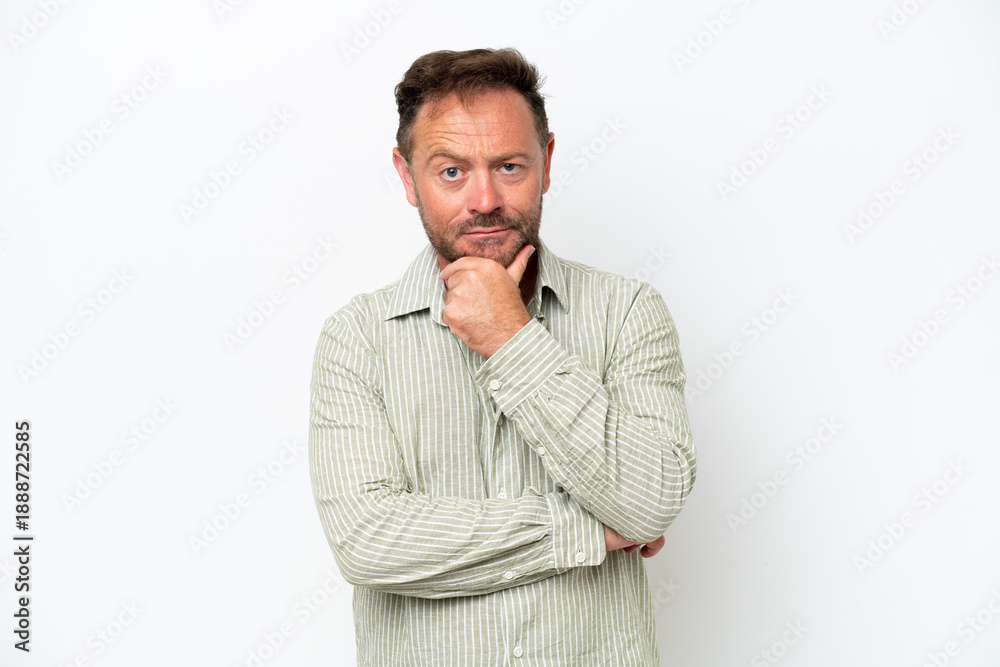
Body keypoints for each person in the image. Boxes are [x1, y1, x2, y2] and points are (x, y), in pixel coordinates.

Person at [308, 47, 696, 665]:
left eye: (509, 166)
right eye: (451, 172)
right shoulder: (356, 339)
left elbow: (650, 500)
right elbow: (368, 542)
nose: (485, 199)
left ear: (547, 162)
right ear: (407, 177)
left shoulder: (628, 312)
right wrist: (589, 531)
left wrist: (512, 338)